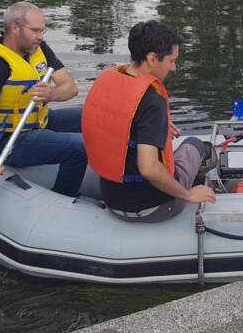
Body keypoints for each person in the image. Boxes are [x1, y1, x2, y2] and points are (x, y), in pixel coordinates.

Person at [82, 20, 216, 222]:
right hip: (152, 207)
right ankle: (196, 188)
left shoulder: (109, 79)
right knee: (197, 146)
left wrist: (159, 125)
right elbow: (149, 168)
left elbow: (122, 120)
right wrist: (188, 195)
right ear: (152, 58)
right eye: (171, 61)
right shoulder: (153, 101)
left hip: (112, 199)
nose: (174, 68)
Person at [0, 1, 87, 197]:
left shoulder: (38, 48)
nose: (41, 36)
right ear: (15, 27)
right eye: (35, 30)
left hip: (40, 121)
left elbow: (70, 88)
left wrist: (52, 94)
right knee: (81, 147)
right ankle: (64, 197)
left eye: (42, 30)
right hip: (8, 139)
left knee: (95, 115)